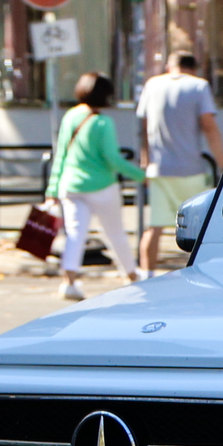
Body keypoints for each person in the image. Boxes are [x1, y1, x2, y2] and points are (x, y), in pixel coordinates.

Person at [49, 71, 144, 301]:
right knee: (115, 233)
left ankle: (68, 282)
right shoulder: (103, 122)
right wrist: (141, 175)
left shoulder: (70, 116)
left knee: (74, 235)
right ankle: (132, 276)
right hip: (102, 186)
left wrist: (52, 190)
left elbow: (60, 154)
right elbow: (113, 158)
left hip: (70, 185)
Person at [132, 52, 223, 272]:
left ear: (169, 66)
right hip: (190, 168)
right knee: (201, 228)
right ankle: (200, 272)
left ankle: (147, 274)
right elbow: (208, 125)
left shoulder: (152, 85)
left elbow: (144, 128)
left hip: (159, 168)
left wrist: (145, 161)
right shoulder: (199, 86)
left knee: (154, 227)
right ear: (194, 67)